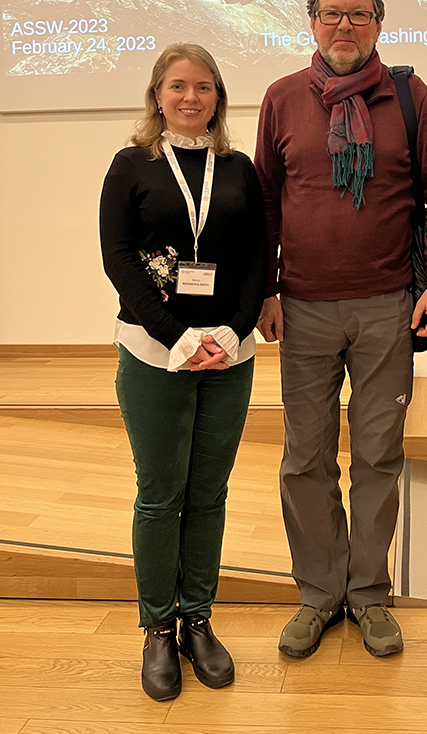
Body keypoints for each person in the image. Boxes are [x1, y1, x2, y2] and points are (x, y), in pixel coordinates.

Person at [254, 0, 427, 659]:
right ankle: (319, 596)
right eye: (332, 14)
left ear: (379, 23)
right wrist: (265, 289)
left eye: (359, 15)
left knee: (379, 454)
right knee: (303, 458)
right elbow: (262, 204)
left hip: (386, 309)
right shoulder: (283, 98)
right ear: (311, 22)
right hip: (305, 310)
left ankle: (369, 596)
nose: (344, 26)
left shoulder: (409, 95)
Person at [99, 43, 267, 701]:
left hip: (229, 353)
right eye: (178, 86)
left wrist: (232, 330)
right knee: (160, 492)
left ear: (218, 97)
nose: (191, 97)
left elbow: (259, 257)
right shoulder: (130, 165)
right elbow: (118, 260)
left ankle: (198, 617)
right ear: (158, 94)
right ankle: (158, 628)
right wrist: (180, 336)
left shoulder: (240, 168)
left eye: (203, 87)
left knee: (210, 492)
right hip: (153, 350)